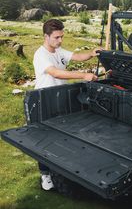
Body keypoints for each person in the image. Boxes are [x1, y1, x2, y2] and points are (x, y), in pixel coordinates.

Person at [33, 18, 99, 190]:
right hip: (44, 100)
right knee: (44, 139)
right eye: (57, 37)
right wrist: (83, 75)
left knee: (60, 137)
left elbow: (77, 56)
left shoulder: (58, 51)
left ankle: (60, 170)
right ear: (46, 36)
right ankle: (45, 176)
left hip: (59, 99)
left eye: (62, 36)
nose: (60, 40)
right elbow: (56, 73)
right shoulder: (40, 55)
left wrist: (92, 53)